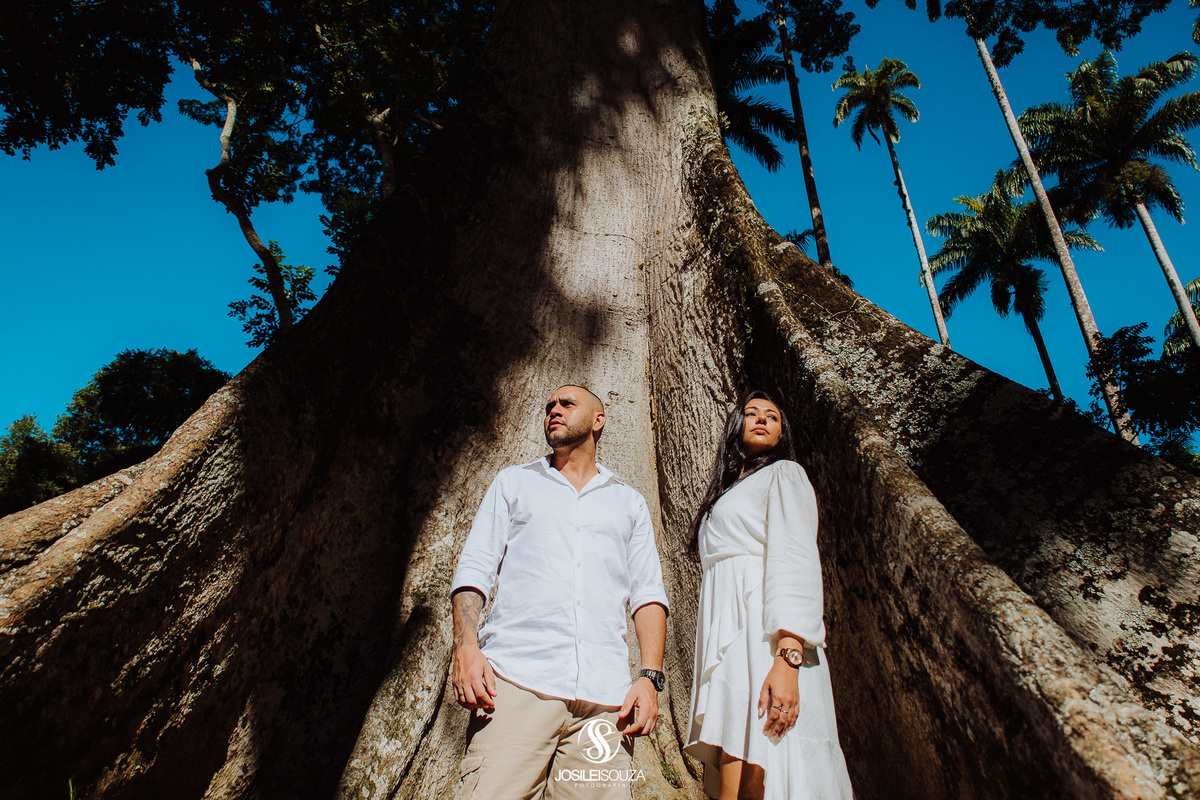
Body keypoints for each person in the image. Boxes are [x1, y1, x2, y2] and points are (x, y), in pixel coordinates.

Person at [451, 384, 670, 800]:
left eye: (568, 404)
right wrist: (465, 647)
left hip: (606, 702)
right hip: (514, 684)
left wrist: (649, 678)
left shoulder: (629, 502)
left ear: (598, 420)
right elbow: (475, 569)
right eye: (550, 405)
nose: (554, 409)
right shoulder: (515, 482)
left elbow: (648, 594)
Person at [684, 391, 853, 800]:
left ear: (782, 433)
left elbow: (796, 560)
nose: (761, 420)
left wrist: (788, 656)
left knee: (765, 743)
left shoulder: (785, 474)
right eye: (751, 413)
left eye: (772, 417)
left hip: (765, 632)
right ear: (735, 425)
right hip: (731, 631)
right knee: (736, 741)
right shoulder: (726, 490)